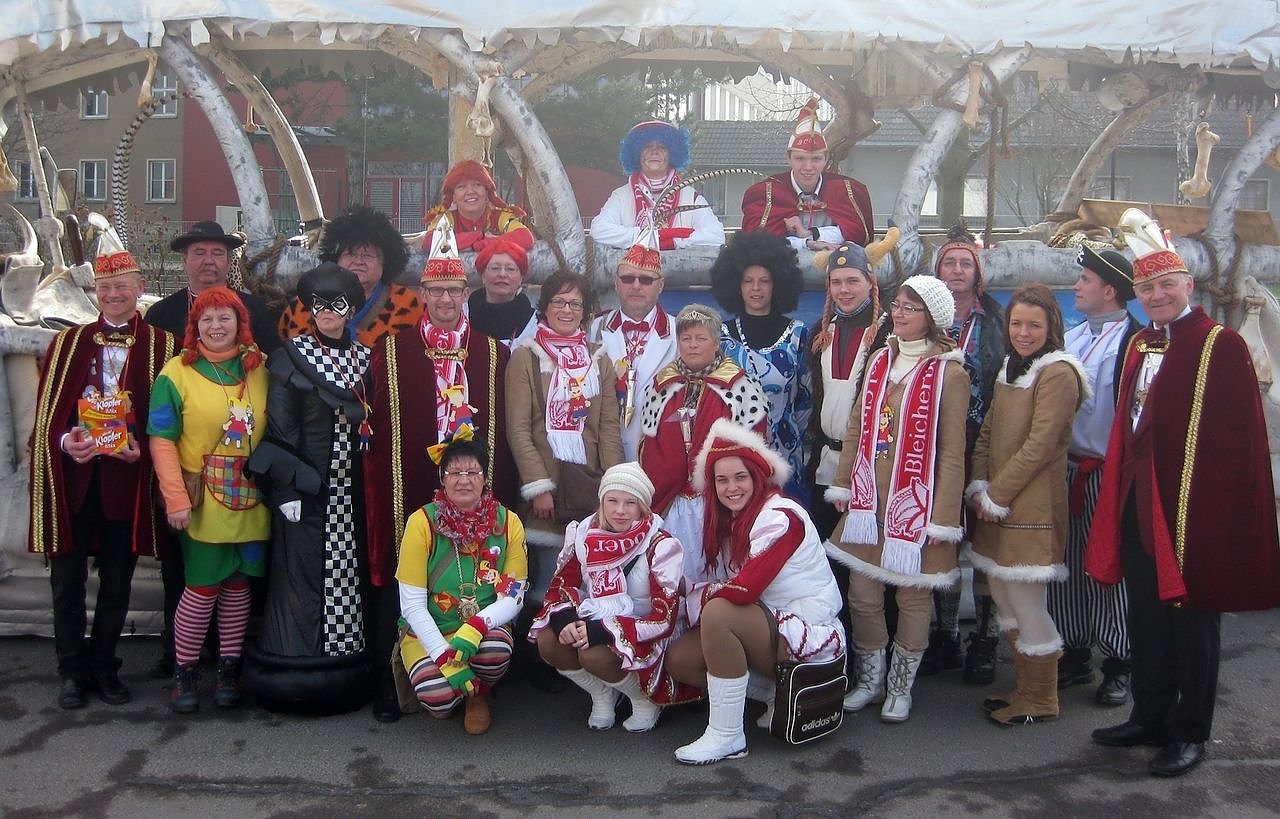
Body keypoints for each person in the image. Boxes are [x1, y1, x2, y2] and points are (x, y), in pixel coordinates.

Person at [1085, 210, 1280, 777]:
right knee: (1146, 613)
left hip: (1193, 505)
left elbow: (1238, 440)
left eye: (1167, 285)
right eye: (1147, 288)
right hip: (1139, 497)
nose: (1157, 296)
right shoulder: (1141, 344)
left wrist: (1224, 516)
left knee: (1193, 622)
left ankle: (1190, 731)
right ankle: (1149, 716)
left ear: (1188, 285)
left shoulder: (1220, 344)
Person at [364, 217, 516, 722]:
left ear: (466, 293)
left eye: (454, 290)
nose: (446, 299)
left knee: (479, 575)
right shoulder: (390, 351)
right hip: (410, 485)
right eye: (436, 291)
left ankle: (481, 681)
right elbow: (375, 429)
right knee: (404, 576)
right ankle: (393, 676)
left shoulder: (493, 353)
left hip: (475, 488)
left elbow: (506, 432)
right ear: (422, 295)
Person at [28, 245, 175, 709]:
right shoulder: (67, 343)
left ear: (140, 289)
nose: (112, 295)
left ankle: (106, 668)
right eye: (104, 287)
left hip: (125, 485)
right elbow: (46, 415)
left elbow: (173, 417)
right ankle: (72, 671)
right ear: (95, 292)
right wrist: (63, 442)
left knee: (116, 582)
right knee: (66, 582)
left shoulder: (164, 346)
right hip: (74, 484)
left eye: (121, 287)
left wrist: (144, 452)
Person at [826, 275, 969, 722]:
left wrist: (943, 517)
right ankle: (870, 680)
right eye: (898, 305)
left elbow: (952, 451)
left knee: (912, 598)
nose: (900, 313)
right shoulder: (880, 360)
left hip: (916, 503)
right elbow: (857, 427)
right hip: (870, 500)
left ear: (933, 318)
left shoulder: (950, 373)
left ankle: (900, 686)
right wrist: (845, 484)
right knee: (862, 593)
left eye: (911, 307)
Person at [144, 219, 281, 680]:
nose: (209, 261)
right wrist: (173, 495)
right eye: (199, 252)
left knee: (239, 585)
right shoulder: (163, 324)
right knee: (192, 581)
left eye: (218, 252)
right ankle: (181, 662)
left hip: (249, 494)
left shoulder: (259, 350)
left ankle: (229, 665)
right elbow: (162, 431)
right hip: (196, 492)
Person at [666, 419, 845, 764]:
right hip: (771, 626)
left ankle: (727, 735)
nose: (731, 487)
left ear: (757, 477)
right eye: (722, 480)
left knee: (719, 612)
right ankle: (777, 696)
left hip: (807, 638)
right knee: (681, 658)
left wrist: (694, 596)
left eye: (740, 477)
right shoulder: (730, 520)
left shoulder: (781, 516)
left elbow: (745, 590)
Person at [244, 263, 376, 712]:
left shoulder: (364, 358)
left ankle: (345, 655)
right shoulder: (291, 356)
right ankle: (298, 663)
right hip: (306, 488)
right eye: (319, 304)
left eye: (337, 304)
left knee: (347, 573)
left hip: (352, 492)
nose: (327, 312)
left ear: (352, 309)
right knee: (299, 575)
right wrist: (285, 491)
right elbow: (281, 428)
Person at [965, 284, 1085, 726]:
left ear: (1051, 326)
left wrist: (996, 495)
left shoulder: (1058, 374)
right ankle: (1025, 686)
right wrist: (980, 485)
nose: (1024, 332)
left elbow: (1040, 446)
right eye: (1016, 323)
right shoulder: (1010, 368)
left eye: (1034, 325)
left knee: (1026, 601)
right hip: (997, 503)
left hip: (1030, 507)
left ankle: (1041, 697)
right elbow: (988, 432)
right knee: (1003, 596)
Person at [531, 463, 695, 731]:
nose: (620, 510)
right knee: (549, 640)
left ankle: (643, 699)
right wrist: (566, 620)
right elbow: (561, 586)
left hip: (645, 633)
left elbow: (663, 620)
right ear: (602, 501)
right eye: (613, 501)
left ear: (643, 507)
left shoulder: (661, 546)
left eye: (630, 503)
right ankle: (602, 693)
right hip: (596, 619)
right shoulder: (583, 534)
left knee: (592, 655)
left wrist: (603, 630)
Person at [1049, 245, 1140, 706]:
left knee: (1109, 564)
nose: (1077, 286)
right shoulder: (1072, 337)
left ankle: (1120, 658)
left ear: (1110, 290)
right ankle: (1074, 649)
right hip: (1067, 469)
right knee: (1065, 563)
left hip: (1109, 472)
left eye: (1085, 279)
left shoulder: (1136, 344)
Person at [395, 436, 528, 734]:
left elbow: (515, 595)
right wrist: (444, 657)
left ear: (485, 478)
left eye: (472, 472)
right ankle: (453, 689)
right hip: (431, 628)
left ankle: (477, 696)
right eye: (454, 472)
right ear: (442, 478)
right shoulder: (421, 522)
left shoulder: (508, 523)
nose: (464, 480)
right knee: (438, 700)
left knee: (495, 649)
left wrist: (477, 626)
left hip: (481, 629)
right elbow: (411, 606)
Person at [923, 222, 1006, 682]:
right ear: (937, 273)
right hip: (936, 443)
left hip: (984, 441)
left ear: (977, 273)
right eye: (949, 264)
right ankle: (948, 634)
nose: (957, 271)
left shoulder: (997, 323)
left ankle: (987, 639)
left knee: (986, 541)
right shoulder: (924, 322)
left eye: (965, 264)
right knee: (944, 538)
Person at [638, 304, 768, 576]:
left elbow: (753, 450)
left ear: (717, 342)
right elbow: (650, 449)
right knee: (672, 572)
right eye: (686, 338)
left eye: (701, 338)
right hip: (672, 504)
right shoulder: (661, 386)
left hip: (722, 503)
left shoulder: (740, 387)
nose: (693, 345)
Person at [506, 270, 625, 554]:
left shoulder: (598, 359)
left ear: (584, 312)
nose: (567, 310)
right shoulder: (526, 357)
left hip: (588, 489)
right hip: (546, 496)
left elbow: (609, 428)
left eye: (575, 304)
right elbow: (518, 429)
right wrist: (538, 487)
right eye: (559, 302)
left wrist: (614, 488)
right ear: (545, 307)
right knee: (548, 576)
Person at [710, 230, 813, 502]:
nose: (756, 288)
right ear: (736, 284)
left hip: (785, 458)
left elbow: (806, 402)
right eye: (748, 281)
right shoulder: (721, 336)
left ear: (777, 283)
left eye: (764, 281)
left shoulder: (798, 335)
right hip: (734, 459)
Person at [588, 231, 678, 459]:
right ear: (616, 282)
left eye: (646, 280)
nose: (636, 286)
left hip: (661, 457)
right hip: (603, 458)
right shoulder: (593, 328)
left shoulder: (682, 333)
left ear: (660, 285)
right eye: (628, 279)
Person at [278, 205, 423, 347]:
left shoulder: (408, 304)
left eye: (368, 255)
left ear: (385, 262)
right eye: (350, 254)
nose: (359, 261)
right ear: (336, 259)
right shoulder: (305, 304)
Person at [740, 97, 873, 251]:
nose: (808, 167)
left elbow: (860, 234)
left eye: (816, 159)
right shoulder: (764, 193)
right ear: (788, 158)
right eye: (800, 159)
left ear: (826, 159)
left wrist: (811, 233)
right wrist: (807, 243)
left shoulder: (848, 190)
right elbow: (756, 242)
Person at [590, 119, 725, 250]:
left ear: (672, 154)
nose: (654, 151)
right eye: (647, 146)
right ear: (637, 154)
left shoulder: (691, 197)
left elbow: (716, 235)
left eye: (662, 147)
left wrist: (673, 241)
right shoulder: (621, 196)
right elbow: (598, 230)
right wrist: (650, 237)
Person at [421, 160, 534, 253]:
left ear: (487, 193)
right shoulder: (446, 219)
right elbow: (429, 242)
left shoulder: (500, 217)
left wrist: (478, 246)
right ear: (453, 197)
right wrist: (481, 236)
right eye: (461, 187)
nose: (470, 191)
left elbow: (525, 237)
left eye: (477, 185)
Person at [465, 238, 538, 348]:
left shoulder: (535, 322)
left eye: (510, 269)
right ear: (482, 276)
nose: (502, 274)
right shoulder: (462, 315)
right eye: (495, 268)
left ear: (521, 278)